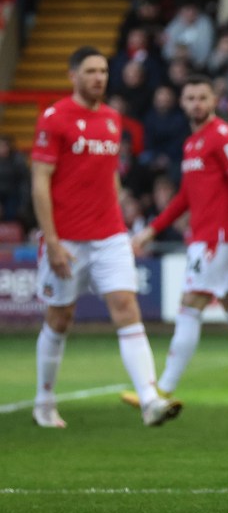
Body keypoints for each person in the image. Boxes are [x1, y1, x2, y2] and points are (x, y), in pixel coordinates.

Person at [119, 75, 228, 411]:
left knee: (189, 308)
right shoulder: (192, 143)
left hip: (216, 241)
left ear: (213, 101)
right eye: (190, 98)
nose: (196, 104)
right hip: (209, 240)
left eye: (202, 97)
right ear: (182, 103)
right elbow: (185, 196)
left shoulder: (224, 136)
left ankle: (162, 390)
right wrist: (151, 230)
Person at [30, 46, 182, 428]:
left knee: (126, 307)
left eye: (102, 71)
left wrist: (121, 211)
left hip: (110, 234)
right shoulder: (54, 118)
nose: (99, 77)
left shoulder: (114, 120)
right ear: (73, 76)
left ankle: (149, 399)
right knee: (60, 317)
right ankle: (44, 399)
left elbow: (108, 174)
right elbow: (40, 182)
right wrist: (52, 241)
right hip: (67, 238)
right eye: (91, 71)